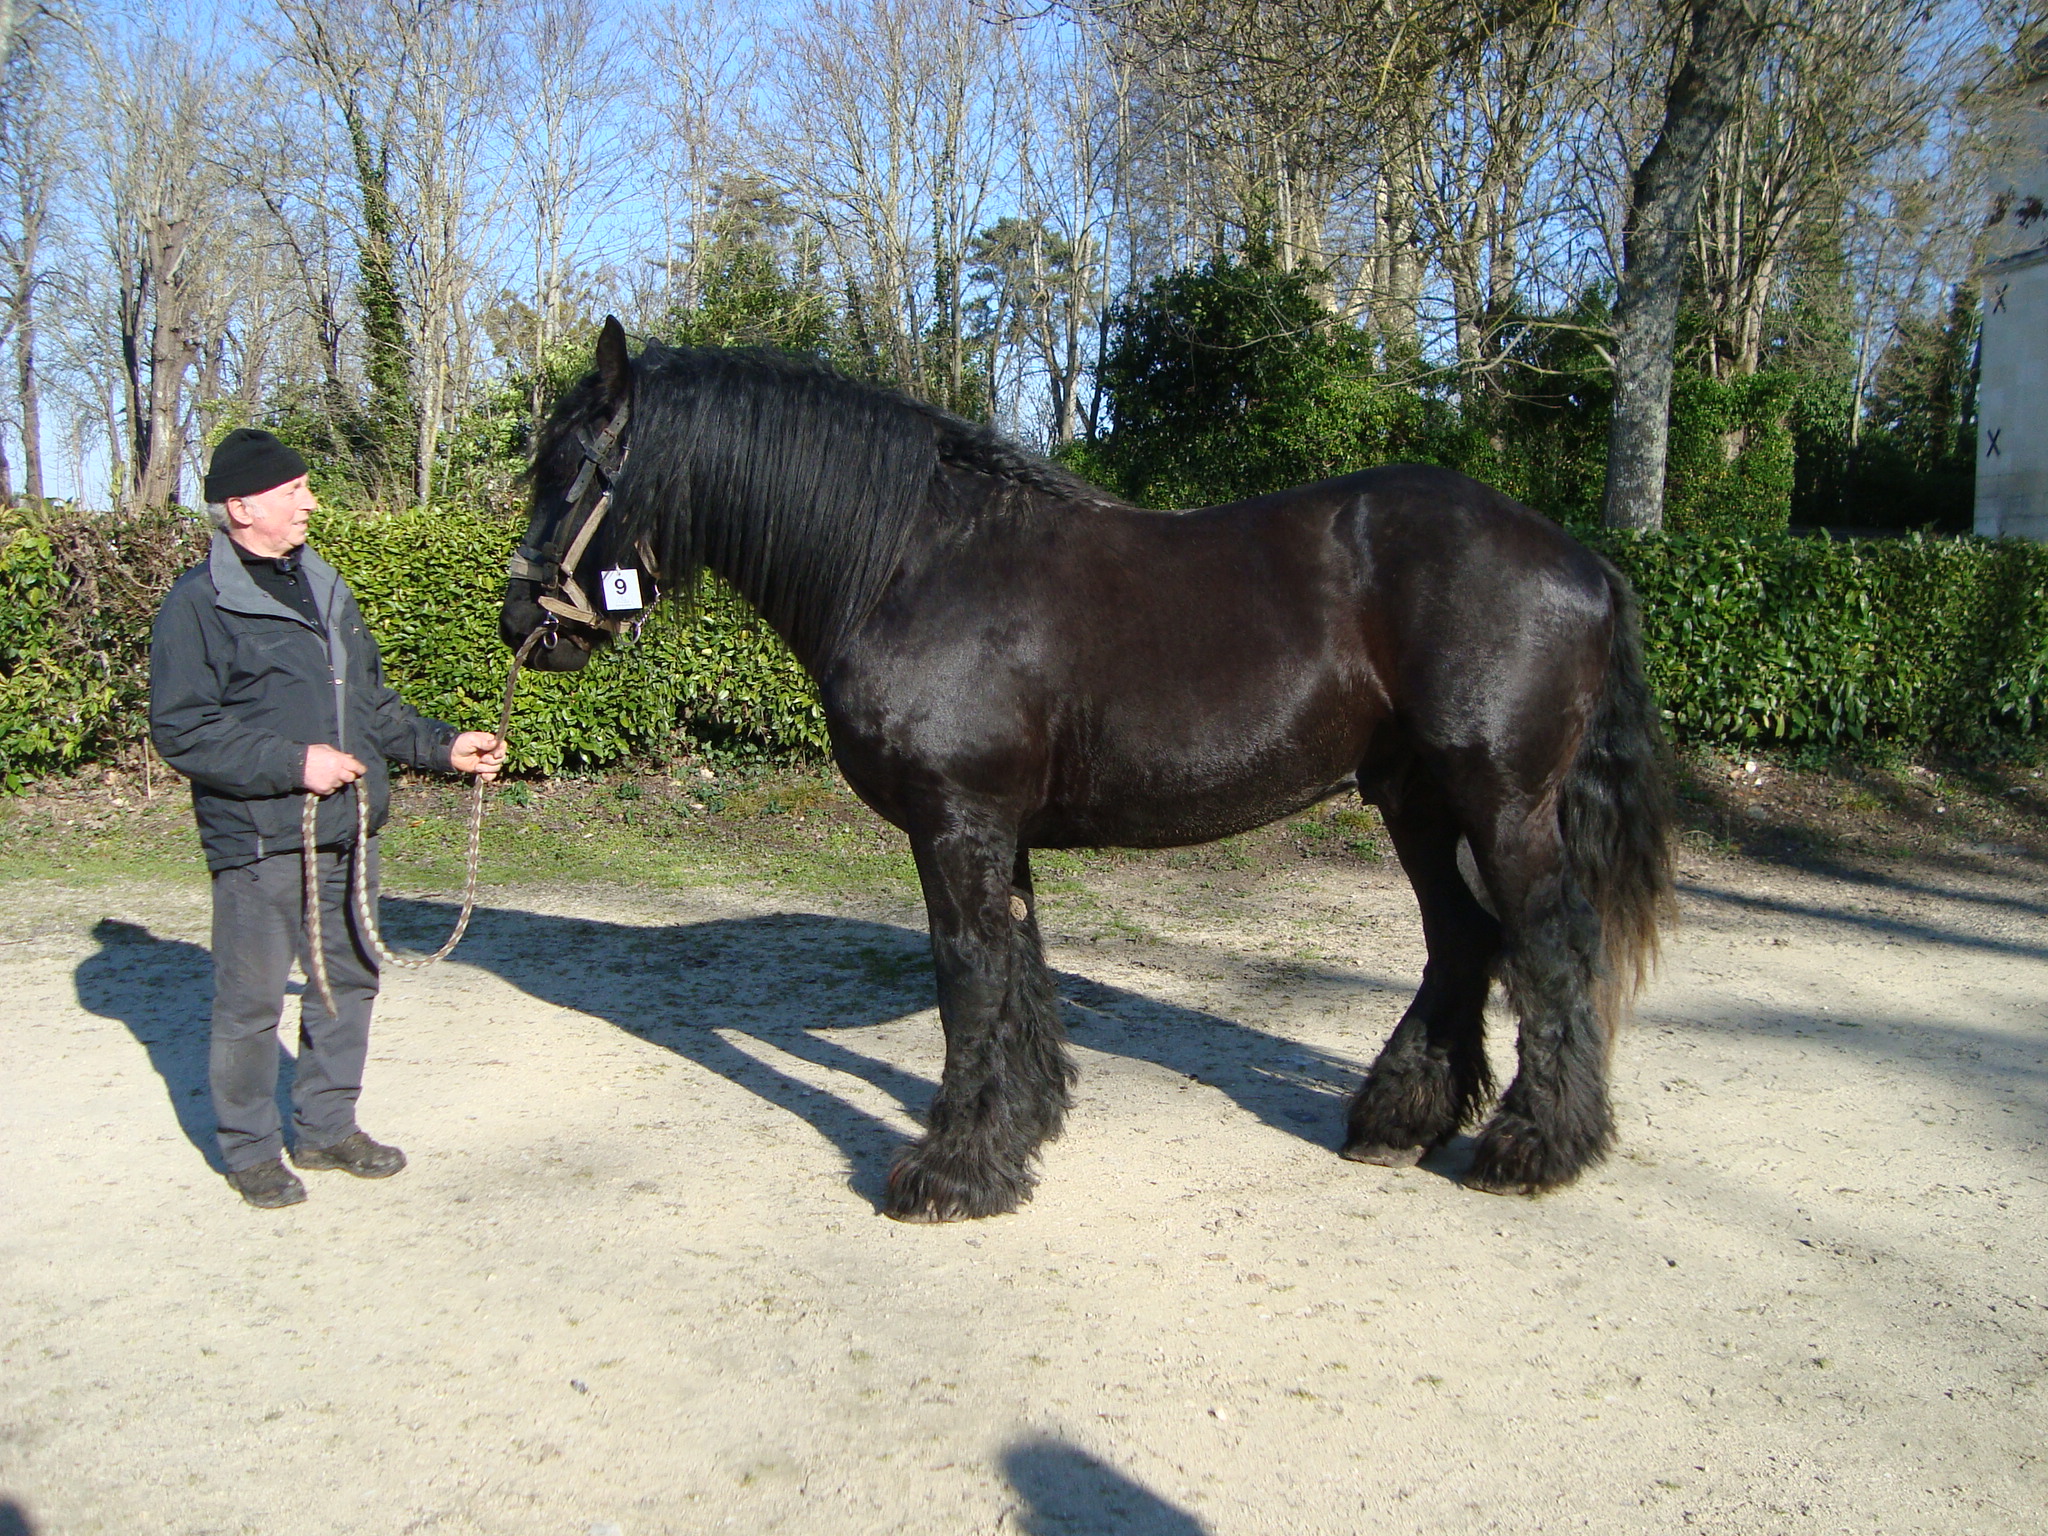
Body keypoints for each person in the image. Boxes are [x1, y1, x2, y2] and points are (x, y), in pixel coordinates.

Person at [149, 429, 506, 1208]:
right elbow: (182, 728)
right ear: (241, 506)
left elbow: (368, 705)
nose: (311, 501)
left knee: (348, 981)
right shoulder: (197, 603)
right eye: (294, 490)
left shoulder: (325, 587)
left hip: (347, 832)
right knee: (249, 1004)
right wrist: (293, 763)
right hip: (259, 842)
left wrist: (446, 748)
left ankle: (324, 1127)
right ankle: (248, 1150)